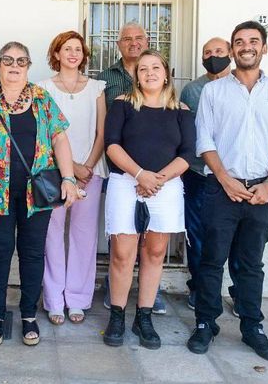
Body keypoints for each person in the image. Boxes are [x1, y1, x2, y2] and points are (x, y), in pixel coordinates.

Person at [187, 21, 268, 363]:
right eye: (240, 42)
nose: (247, 46)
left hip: (261, 191)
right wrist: (225, 179)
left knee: (250, 264)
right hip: (221, 190)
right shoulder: (214, 92)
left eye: (253, 41)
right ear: (233, 50)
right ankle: (205, 322)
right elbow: (205, 140)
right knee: (211, 260)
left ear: (264, 48)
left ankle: (252, 327)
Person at [0, 41, 81, 346]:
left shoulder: (42, 99)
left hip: (37, 194)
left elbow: (59, 138)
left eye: (21, 61)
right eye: (8, 60)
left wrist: (68, 178)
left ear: (28, 66)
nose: (14, 66)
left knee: (33, 253)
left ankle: (28, 315)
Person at [101, 50, 195, 350]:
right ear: (136, 76)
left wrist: (157, 180)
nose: (150, 73)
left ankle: (144, 317)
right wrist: (141, 175)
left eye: (156, 67)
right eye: (143, 69)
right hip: (126, 183)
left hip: (165, 187)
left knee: (154, 252)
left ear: (166, 74)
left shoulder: (181, 110)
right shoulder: (122, 104)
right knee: (122, 254)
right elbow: (112, 145)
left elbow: (187, 154)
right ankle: (117, 315)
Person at [96, 23, 168, 314]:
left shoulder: (162, 83)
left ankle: (150, 292)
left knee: (153, 240)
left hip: (157, 172)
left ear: (147, 41)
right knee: (121, 234)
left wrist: (154, 177)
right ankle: (115, 288)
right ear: (118, 44)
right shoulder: (105, 78)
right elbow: (103, 125)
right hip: (119, 168)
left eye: (139, 38)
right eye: (127, 38)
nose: (133, 43)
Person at [38, 31, 107, 325]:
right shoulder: (43, 89)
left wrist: (86, 167)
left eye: (78, 49)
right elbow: (44, 135)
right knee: (51, 235)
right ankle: (54, 300)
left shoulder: (96, 88)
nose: (73, 53)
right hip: (54, 173)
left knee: (84, 236)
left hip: (91, 172)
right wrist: (71, 169)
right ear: (56, 54)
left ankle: (77, 299)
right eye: (67, 48)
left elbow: (102, 133)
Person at [179, 37, 238, 311]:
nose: (213, 56)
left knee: (237, 238)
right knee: (197, 234)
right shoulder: (192, 90)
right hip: (197, 173)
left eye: (218, 51)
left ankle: (239, 293)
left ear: (230, 53)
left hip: (235, 175)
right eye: (207, 52)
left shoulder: (242, 87)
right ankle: (200, 289)